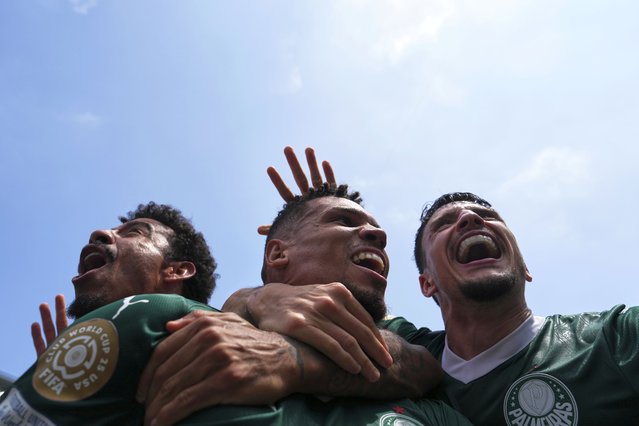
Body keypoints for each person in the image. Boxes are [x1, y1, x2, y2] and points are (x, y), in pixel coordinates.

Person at [378, 191, 639, 425]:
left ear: (525, 267)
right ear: (427, 283)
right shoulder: (407, 349)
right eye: (444, 223)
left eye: (488, 215)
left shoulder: (615, 340)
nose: (470, 218)